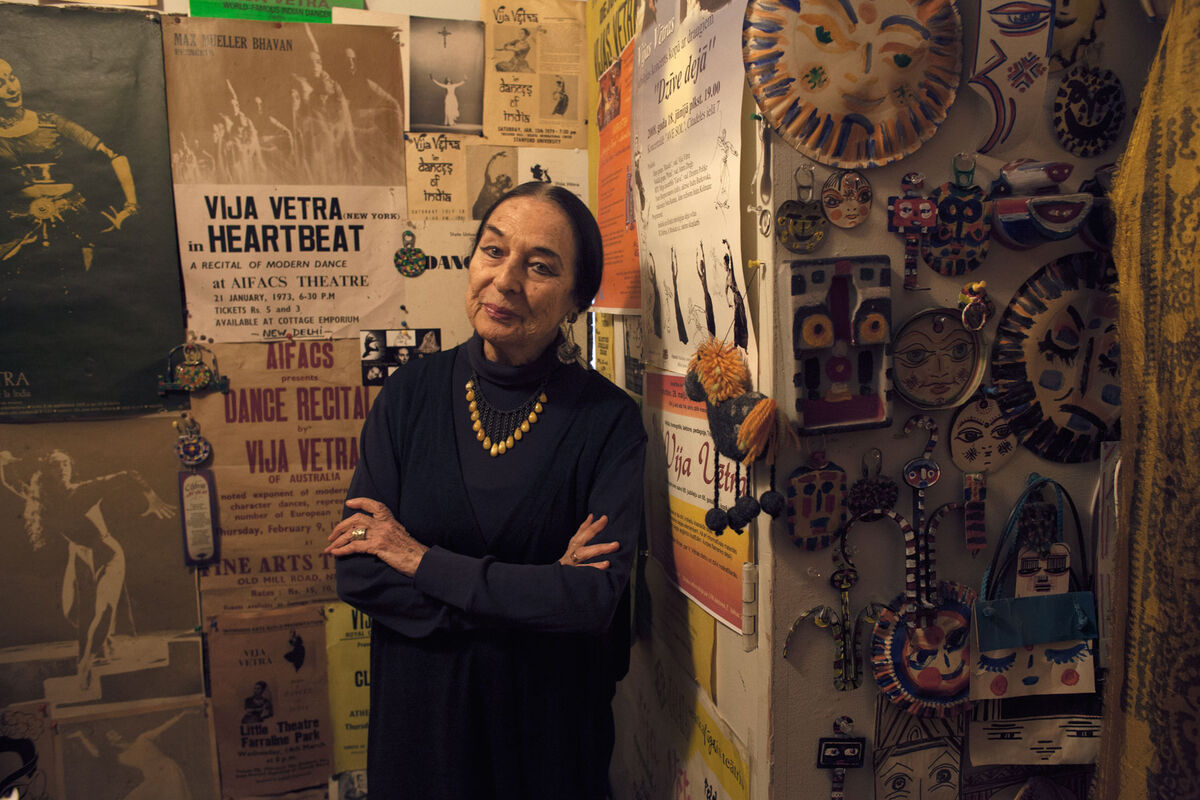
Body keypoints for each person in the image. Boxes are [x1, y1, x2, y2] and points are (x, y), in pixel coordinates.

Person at [325, 181, 646, 800]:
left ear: (577, 300)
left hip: (550, 744)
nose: (506, 280)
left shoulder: (608, 422)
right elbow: (360, 574)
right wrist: (533, 594)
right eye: (493, 251)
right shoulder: (409, 397)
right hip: (422, 740)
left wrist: (418, 561)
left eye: (540, 266)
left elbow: (590, 600)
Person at [0, 58, 138, 268]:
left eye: (12, 78)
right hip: (16, 229)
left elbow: (114, 155)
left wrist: (131, 207)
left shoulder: (50, 121)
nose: (11, 88)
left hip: (71, 220)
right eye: (1, 84)